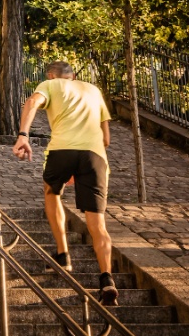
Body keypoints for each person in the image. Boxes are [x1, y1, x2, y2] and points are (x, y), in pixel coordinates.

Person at [12, 61, 118, 306]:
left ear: (51, 75)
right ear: (74, 75)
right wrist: (81, 168)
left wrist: (23, 135)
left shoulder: (50, 85)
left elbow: (32, 102)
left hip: (61, 151)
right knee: (98, 223)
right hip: (94, 156)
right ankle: (107, 279)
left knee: (52, 192)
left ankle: (63, 254)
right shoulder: (93, 90)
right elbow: (106, 139)